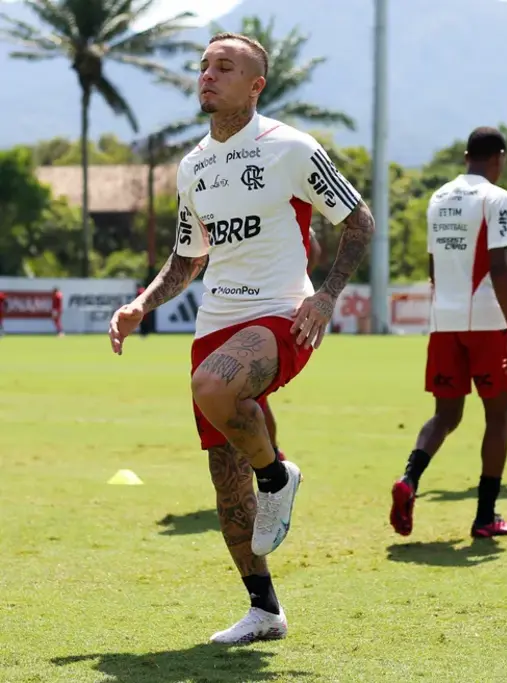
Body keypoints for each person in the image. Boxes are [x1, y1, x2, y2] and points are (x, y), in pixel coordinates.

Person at [107, 32, 374, 643]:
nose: (208, 75)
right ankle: (264, 610)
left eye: (225, 67)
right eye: (203, 66)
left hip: (284, 314)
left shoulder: (292, 148)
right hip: (215, 325)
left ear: (256, 86)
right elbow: (187, 258)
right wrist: (141, 305)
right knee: (226, 488)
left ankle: (278, 476)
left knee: (215, 386)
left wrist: (327, 295)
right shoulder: (193, 164)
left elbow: (358, 221)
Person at [390, 127, 507, 539]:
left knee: (445, 415)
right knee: (499, 415)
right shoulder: (497, 198)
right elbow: (499, 266)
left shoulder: (438, 198)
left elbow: (434, 268)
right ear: (498, 158)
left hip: (444, 321)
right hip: (486, 322)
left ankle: (409, 480)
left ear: (467, 155)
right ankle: (486, 516)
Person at [265, 229, 320, 464]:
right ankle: (273, 456)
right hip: (244, 304)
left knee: (249, 397)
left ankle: (272, 459)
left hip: (269, 308)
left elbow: (314, 246)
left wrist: (300, 278)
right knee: (252, 398)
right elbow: (315, 247)